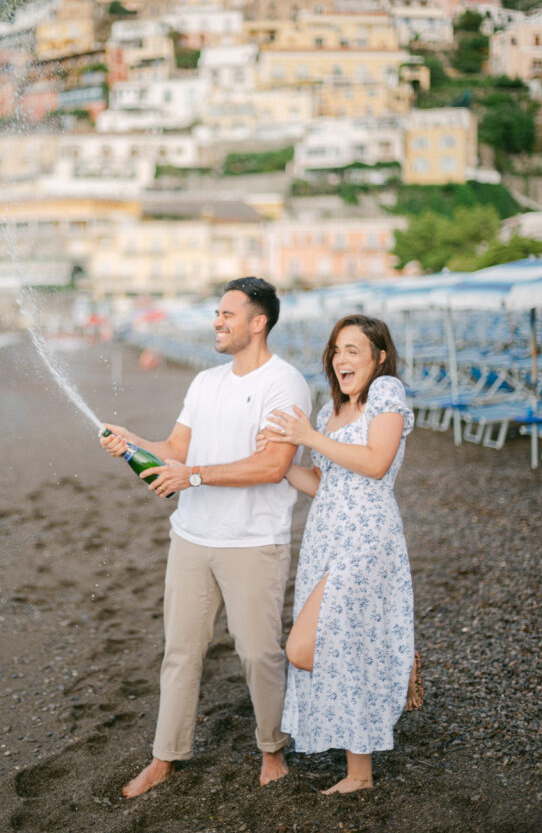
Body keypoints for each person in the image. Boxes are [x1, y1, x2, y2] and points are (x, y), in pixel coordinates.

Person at [100, 277, 312, 798]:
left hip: (253, 539)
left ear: (258, 322)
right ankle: (164, 758)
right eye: (216, 314)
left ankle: (271, 749)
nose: (217, 322)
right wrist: (134, 445)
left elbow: (272, 465)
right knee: (180, 652)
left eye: (228, 314)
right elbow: (174, 448)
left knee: (258, 652)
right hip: (191, 536)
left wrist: (192, 476)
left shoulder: (286, 384)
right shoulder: (204, 382)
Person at [263, 314, 415, 795]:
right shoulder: (331, 414)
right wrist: (284, 463)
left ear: (379, 356)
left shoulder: (387, 393)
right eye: (336, 350)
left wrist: (308, 438)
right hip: (326, 535)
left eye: (353, 349)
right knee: (341, 642)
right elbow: (324, 484)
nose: (341, 358)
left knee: (304, 646)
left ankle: (361, 767)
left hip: (368, 535)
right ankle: (360, 771)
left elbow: (375, 463)